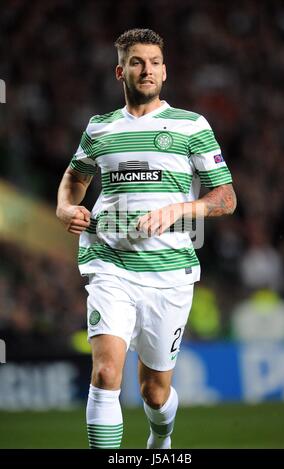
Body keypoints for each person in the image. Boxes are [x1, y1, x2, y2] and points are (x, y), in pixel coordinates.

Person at [56, 28, 236, 449]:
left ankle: (162, 435)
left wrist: (182, 209)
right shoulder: (99, 129)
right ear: (121, 71)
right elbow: (74, 180)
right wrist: (66, 207)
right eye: (137, 62)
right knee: (105, 374)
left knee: (154, 392)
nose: (147, 69)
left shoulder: (191, 126)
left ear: (165, 71)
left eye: (154, 62)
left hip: (169, 272)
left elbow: (225, 197)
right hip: (109, 263)